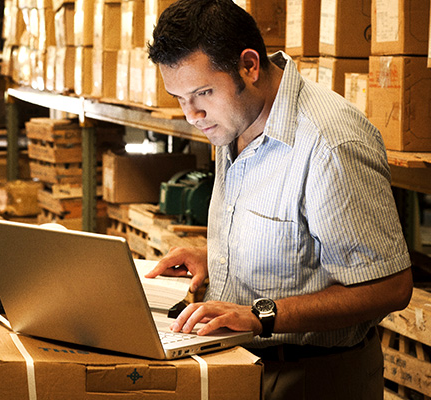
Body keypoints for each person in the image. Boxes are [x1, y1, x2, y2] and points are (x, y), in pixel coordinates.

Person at [145, 0, 413, 399]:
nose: (193, 114)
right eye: (180, 97)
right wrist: (218, 256)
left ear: (249, 66)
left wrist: (259, 315)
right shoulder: (233, 118)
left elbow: (390, 287)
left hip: (312, 376)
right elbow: (294, 235)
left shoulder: (330, 143)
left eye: (203, 92)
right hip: (242, 364)